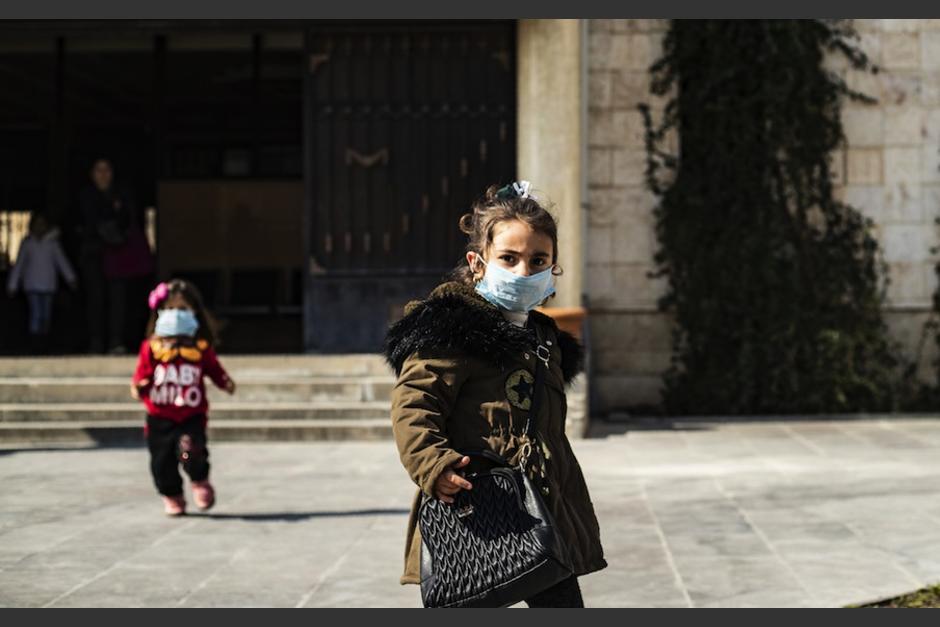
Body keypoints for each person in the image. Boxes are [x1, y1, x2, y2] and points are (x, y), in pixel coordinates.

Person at [384, 181, 606, 607]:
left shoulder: (545, 339)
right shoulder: (453, 332)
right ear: (478, 262)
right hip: (475, 502)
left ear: (553, 268)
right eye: (509, 257)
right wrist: (433, 465)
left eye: (538, 260)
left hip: (541, 505)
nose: (524, 271)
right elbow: (414, 404)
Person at [131, 279, 236, 516]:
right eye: (171, 309)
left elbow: (214, 370)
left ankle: (199, 479)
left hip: (191, 413)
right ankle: (172, 495)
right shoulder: (151, 348)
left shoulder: (199, 348)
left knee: (191, 450)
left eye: (183, 310)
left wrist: (225, 383)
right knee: (161, 462)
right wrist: (139, 387)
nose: (176, 315)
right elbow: (140, 375)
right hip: (159, 415)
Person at [78, 158, 143, 354]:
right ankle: (95, 341)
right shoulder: (85, 197)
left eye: (107, 170)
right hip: (93, 254)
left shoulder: (122, 195)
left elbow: (129, 221)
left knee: (118, 299)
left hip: (117, 253)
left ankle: (116, 341)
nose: (103, 175)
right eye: (99, 170)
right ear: (92, 174)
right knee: (95, 299)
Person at [6, 214, 78, 353]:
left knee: (45, 316)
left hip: (48, 285)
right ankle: (35, 345)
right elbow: (19, 265)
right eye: (37, 224)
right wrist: (12, 284)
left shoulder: (52, 244)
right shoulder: (28, 244)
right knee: (36, 314)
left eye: (42, 224)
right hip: (32, 285)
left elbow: (61, 263)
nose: (40, 227)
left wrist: (71, 278)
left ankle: (44, 343)